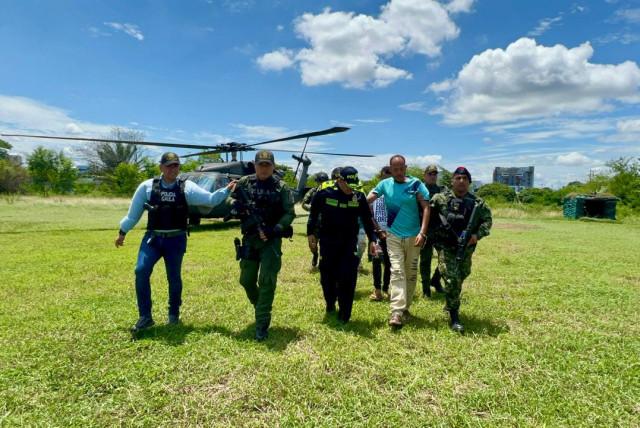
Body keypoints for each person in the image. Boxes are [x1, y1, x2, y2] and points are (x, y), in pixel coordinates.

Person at [116, 152, 235, 332]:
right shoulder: (147, 187)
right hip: (153, 239)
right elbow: (133, 214)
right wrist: (122, 232)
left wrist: (226, 190)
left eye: (176, 165)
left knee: (174, 278)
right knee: (141, 271)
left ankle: (173, 315)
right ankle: (145, 317)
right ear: (161, 167)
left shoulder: (187, 187)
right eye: (169, 165)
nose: (173, 169)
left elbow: (210, 200)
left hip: (176, 240)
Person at [227, 150, 295, 341]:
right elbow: (231, 200)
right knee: (246, 280)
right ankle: (260, 308)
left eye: (267, 165)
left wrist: (276, 229)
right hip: (250, 238)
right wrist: (235, 206)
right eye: (260, 165)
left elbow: (289, 213)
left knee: (266, 281)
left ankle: (262, 323)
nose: (264, 168)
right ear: (255, 165)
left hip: (270, 241)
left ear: (273, 166)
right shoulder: (244, 183)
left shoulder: (281, 187)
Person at [307, 166, 377, 323]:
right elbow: (313, 214)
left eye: (353, 186)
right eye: (347, 185)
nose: (350, 190)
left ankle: (345, 314)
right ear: (339, 180)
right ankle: (330, 303)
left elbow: (367, 219)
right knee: (327, 277)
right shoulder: (324, 192)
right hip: (328, 241)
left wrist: (373, 239)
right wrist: (310, 233)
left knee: (348, 276)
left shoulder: (358, 196)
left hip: (349, 242)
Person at [367, 155, 430, 328]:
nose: (399, 172)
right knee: (397, 271)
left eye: (402, 168)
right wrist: (377, 227)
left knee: (410, 273)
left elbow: (426, 207)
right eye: (395, 169)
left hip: (413, 236)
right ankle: (396, 311)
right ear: (391, 169)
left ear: (406, 167)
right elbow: (366, 202)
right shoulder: (384, 185)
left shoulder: (416, 184)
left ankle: (405, 307)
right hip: (393, 236)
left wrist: (422, 233)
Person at [430, 167, 492, 333]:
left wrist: (476, 235)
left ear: (469, 182)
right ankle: (455, 317)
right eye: (458, 178)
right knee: (452, 279)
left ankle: (450, 300)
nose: (461, 181)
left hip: (466, 248)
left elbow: (487, 222)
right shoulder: (440, 199)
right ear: (452, 181)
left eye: (465, 178)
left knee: (462, 274)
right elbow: (427, 213)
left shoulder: (478, 203)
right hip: (445, 246)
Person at [420, 164, 444, 297]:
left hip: (439, 230)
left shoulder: (442, 190)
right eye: (430, 173)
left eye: (435, 174)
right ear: (425, 175)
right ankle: (425, 290)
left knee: (445, 258)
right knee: (425, 260)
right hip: (424, 229)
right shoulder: (419, 189)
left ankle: (435, 280)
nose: (433, 176)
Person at [369, 166, 392, 301]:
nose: (388, 176)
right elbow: (368, 213)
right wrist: (377, 229)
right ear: (381, 176)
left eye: (390, 174)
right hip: (377, 233)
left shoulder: (395, 193)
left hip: (392, 233)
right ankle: (377, 290)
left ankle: (386, 289)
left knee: (389, 263)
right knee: (376, 260)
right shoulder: (374, 192)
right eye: (386, 174)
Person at [302, 171, 329, 270]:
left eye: (323, 181)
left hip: (327, 223)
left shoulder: (331, 192)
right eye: (320, 181)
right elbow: (304, 203)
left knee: (325, 245)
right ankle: (315, 254)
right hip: (314, 223)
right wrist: (313, 208)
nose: (321, 183)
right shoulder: (313, 191)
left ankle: (323, 262)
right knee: (312, 245)